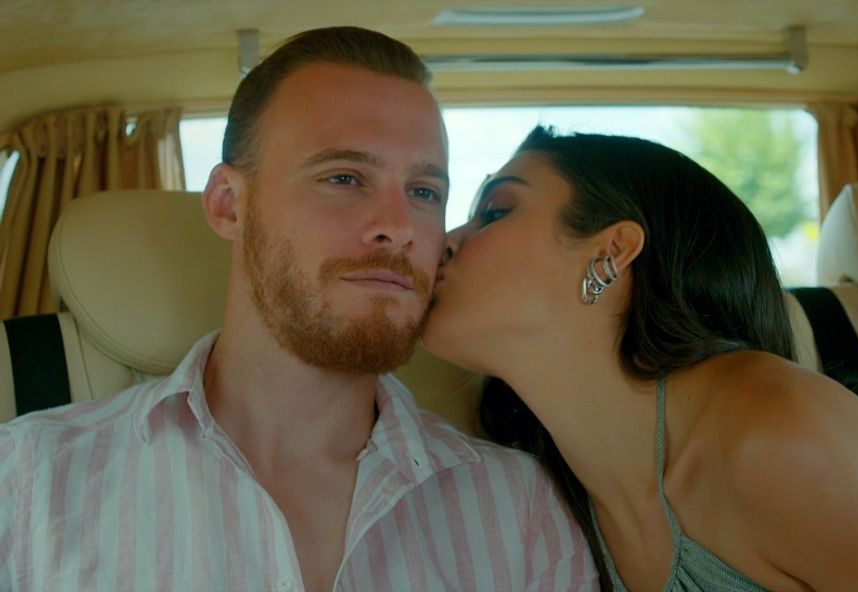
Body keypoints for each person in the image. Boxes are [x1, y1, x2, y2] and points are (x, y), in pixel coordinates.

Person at [0, 29, 598, 592]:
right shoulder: (25, 482)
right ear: (228, 205)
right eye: (344, 178)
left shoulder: (520, 510)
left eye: (423, 192)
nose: (399, 227)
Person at [422, 126, 858, 592]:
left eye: (495, 212)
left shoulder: (773, 429)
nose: (445, 241)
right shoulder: (540, 490)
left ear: (610, 254)